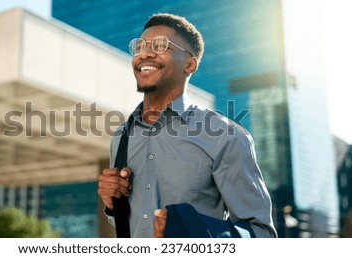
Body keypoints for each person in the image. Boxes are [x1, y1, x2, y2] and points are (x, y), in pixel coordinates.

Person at [97, 13, 277, 238]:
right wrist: (113, 206)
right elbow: (131, 225)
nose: (145, 53)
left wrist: (193, 231)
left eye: (161, 45)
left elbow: (261, 234)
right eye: (140, 46)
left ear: (189, 64)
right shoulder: (122, 135)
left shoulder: (225, 136)